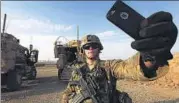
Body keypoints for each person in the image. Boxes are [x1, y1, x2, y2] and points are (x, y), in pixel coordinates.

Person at [61, 11, 178, 103]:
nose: (90, 48)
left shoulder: (109, 66)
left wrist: (150, 57)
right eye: (87, 47)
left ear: (99, 48)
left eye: (94, 45)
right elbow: (69, 90)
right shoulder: (77, 70)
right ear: (82, 50)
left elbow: (129, 68)